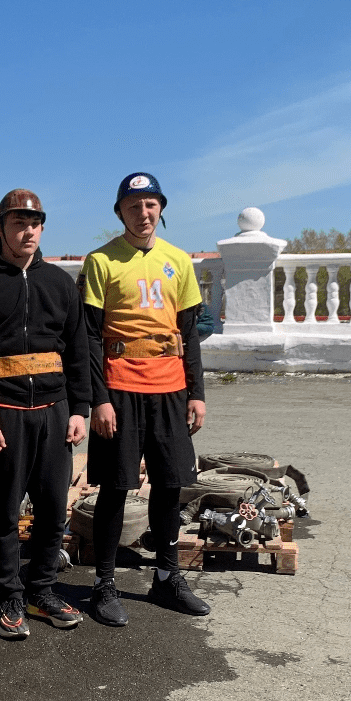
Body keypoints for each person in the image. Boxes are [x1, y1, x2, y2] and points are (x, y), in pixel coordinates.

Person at [0, 189, 90, 641]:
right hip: (3, 415)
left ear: (42, 227)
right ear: (0, 228)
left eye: (34, 222)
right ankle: (11, 595)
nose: (27, 229)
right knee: (4, 513)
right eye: (17, 222)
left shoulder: (60, 283)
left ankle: (42, 589)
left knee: (54, 510)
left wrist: (81, 409)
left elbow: (78, 350)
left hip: (55, 413)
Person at [80, 172, 210, 626]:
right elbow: (90, 338)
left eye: (151, 204)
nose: (144, 213)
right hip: (119, 388)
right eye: (134, 206)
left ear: (161, 209)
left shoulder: (179, 261)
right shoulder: (102, 262)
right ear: (121, 212)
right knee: (116, 487)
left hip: (170, 387)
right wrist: (99, 400)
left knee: (171, 485)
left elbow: (189, 333)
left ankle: (166, 577)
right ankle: (104, 585)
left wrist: (198, 392)